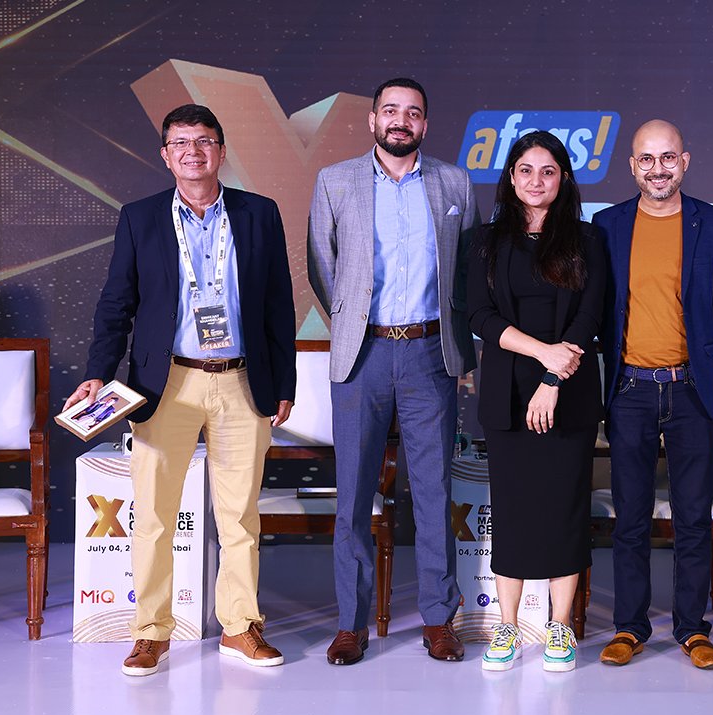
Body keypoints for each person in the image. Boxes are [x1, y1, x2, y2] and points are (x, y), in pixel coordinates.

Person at [65, 103, 297, 676]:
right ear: (165, 155)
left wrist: (284, 382)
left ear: (221, 150)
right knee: (154, 516)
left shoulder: (259, 213)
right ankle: (150, 632)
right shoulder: (140, 218)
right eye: (181, 143)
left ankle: (240, 628)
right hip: (164, 382)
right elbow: (116, 304)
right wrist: (98, 370)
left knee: (239, 516)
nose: (193, 152)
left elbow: (277, 303)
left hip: (242, 380)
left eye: (204, 141)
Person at [307, 77, 480, 664]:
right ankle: (351, 623)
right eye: (390, 111)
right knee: (355, 493)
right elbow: (322, 265)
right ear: (373, 120)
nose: (400, 120)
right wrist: (354, 323)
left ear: (424, 124)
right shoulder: (335, 181)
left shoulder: (455, 183)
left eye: (412, 113)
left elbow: (465, 272)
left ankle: (438, 618)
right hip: (364, 354)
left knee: (433, 490)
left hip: (430, 353)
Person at [591, 119, 713, 670]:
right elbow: (600, 309)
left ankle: (692, 629)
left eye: (668, 158)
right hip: (629, 390)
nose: (658, 169)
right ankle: (630, 627)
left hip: (692, 390)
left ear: (685, 161)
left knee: (693, 516)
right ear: (633, 166)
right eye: (647, 159)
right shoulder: (607, 225)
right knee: (630, 516)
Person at [467, 131, 605, 673]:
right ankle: (506, 625)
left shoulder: (588, 240)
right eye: (525, 170)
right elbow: (479, 315)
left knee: (565, 510)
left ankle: (559, 625)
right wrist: (542, 353)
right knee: (513, 510)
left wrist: (553, 377)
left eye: (548, 171)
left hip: (567, 393)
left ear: (563, 178)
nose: (536, 181)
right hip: (507, 393)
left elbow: (589, 317)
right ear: (511, 177)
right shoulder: (484, 241)